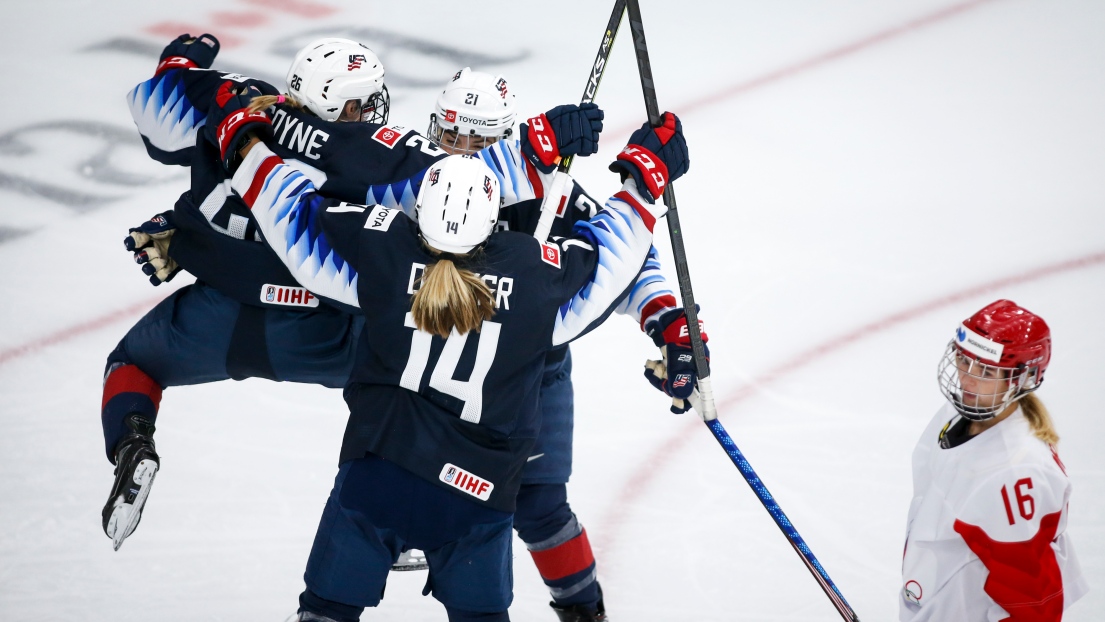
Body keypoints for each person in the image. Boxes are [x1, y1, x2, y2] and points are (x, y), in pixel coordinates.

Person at [208, 78, 691, 621]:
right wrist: (643, 184)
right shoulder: (524, 266)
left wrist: (246, 151)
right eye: (447, 135)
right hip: (501, 402)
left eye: (474, 144)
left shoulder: (396, 233)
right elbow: (611, 260)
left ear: (502, 138)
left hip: (461, 404)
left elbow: (299, 217)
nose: (455, 152)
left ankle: (582, 608)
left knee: (537, 504)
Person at [900, 300, 1087, 621]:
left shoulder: (1016, 472)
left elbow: (1031, 595)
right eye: (963, 360)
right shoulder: (962, 412)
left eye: (986, 371)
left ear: (1021, 378)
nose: (967, 379)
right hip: (937, 593)